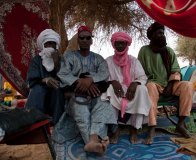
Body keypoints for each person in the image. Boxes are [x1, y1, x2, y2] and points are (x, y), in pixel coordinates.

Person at [57, 26, 117, 155]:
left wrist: (90, 80)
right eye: (81, 38)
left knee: (103, 106)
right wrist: (80, 81)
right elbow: (63, 74)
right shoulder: (69, 57)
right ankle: (91, 142)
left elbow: (104, 74)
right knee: (81, 110)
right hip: (76, 95)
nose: (84, 40)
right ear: (78, 40)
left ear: (91, 40)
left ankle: (92, 141)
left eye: (87, 38)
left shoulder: (99, 58)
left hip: (95, 96)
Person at [138, 22, 194, 144]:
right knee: (150, 87)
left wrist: (170, 85)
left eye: (163, 33)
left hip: (171, 85)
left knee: (188, 86)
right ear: (152, 35)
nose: (162, 35)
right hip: (154, 84)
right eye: (159, 33)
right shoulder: (144, 51)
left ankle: (180, 124)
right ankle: (152, 128)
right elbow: (140, 72)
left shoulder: (169, 51)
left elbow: (176, 70)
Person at [101, 32, 151, 144]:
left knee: (142, 90)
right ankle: (115, 129)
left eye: (122, 43)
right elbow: (103, 77)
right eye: (117, 43)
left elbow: (142, 77)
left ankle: (134, 130)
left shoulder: (133, 60)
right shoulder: (108, 61)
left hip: (131, 92)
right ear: (113, 44)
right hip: (116, 92)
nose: (119, 46)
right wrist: (112, 81)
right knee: (107, 90)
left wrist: (135, 83)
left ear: (126, 44)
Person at [25, 29, 65, 125]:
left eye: (53, 44)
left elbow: (66, 78)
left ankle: (56, 125)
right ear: (43, 45)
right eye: (48, 44)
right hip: (39, 92)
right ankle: (32, 121)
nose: (50, 46)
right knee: (38, 90)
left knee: (58, 90)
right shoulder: (36, 60)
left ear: (56, 46)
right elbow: (31, 81)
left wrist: (57, 63)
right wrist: (45, 80)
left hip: (56, 92)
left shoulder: (62, 59)